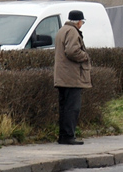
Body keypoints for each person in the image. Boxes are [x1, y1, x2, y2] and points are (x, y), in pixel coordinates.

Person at [54, 9, 91, 145]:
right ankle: (68, 135)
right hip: (71, 77)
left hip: (62, 77)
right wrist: (85, 56)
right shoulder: (72, 31)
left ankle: (63, 135)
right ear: (79, 22)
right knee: (72, 108)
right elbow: (72, 51)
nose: (82, 24)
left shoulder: (62, 30)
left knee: (64, 107)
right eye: (82, 22)